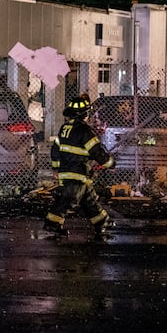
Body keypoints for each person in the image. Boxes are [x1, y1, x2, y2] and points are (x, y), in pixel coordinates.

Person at [45, 95, 115, 238]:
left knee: (89, 200)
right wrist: (110, 163)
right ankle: (52, 224)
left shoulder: (64, 128)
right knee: (67, 200)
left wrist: (56, 169)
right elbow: (96, 151)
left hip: (69, 173)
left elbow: (55, 150)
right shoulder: (85, 131)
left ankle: (102, 222)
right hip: (77, 173)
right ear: (85, 114)